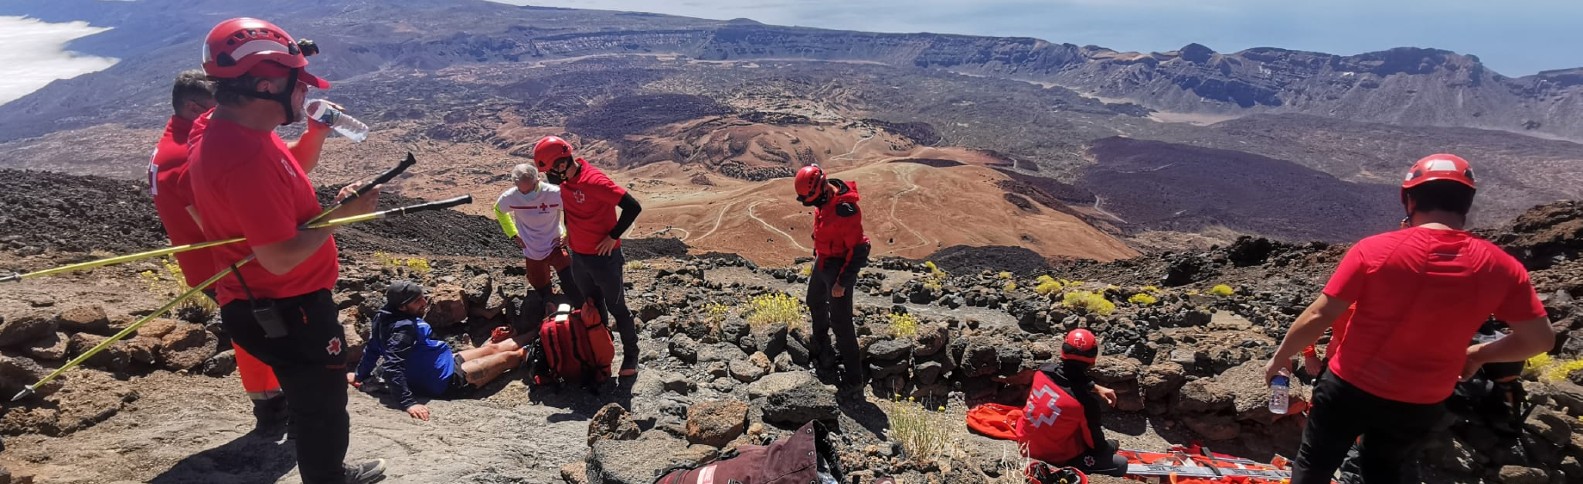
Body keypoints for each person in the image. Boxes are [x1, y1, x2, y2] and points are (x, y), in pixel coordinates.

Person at [1263, 153, 1552, 484]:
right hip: (1422, 399)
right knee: (1384, 471)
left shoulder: (1374, 250)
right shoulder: (1502, 268)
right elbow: (1539, 340)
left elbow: (1320, 313)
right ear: (1467, 203)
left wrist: (1280, 358)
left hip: (1349, 386)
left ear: (1409, 199)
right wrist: (1477, 355)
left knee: (1314, 464)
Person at [187, 17, 385, 484]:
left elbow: (281, 174)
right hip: (289, 307)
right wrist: (339, 216)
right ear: (266, 83)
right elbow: (277, 254)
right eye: (300, 84)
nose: (305, 95)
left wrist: (319, 149)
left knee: (310, 397)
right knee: (325, 406)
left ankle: (320, 465)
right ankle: (327, 477)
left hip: (261, 302)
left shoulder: (228, 129)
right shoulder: (245, 155)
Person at [146, 69, 290, 436]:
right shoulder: (184, 156)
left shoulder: (173, 142)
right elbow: (216, 218)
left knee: (254, 331)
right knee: (261, 331)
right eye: (219, 103)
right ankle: (273, 407)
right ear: (194, 106)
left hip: (210, 266)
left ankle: (272, 401)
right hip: (226, 267)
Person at [531, 135, 644, 376]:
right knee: (592, 306)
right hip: (579, 258)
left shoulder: (595, 182)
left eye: (550, 171)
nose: (549, 177)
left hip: (604, 259)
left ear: (562, 165)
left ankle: (631, 355)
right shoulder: (566, 182)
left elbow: (633, 207)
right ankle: (602, 353)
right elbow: (570, 209)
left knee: (617, 307)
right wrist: (569, 233)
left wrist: (613, 236)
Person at [351, 281, 532, 421]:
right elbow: (392, 367)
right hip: (447, 381)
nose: (424, 302)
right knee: (509, 357)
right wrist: (408, 403)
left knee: (493, 348)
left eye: (422, 297)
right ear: (402, 307)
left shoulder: (383, 317)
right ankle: (538, 350)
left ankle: (539, 329)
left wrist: (360, 375)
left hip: (446, 361)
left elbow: (372, 349)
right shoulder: (403, 330)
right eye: (416, 301)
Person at [793, 164, 870, 393]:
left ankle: (855, 380)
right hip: (824, 261)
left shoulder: (845, 210)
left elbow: (859, 249)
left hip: (838, 268)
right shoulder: (825, 200)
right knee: (814, 300)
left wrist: (842, 283)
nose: (812, 204)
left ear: (823, 190)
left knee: (841, 323)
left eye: (813, 199)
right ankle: (821, 344)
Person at [1016, 329, 1127, 477]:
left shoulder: (1043, 371)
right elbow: (1096, 446)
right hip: (1052, 455)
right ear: (1092, 358)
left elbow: (1068, 376)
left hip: (1024, 439)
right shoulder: (1085, 403)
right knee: (1121, 464)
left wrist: (1095, 387)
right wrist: (1110, 446)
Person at [494, 163, 582, 315]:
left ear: (537, 180)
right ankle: (550, 311)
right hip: (532, 249)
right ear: (515, 184)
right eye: (522, 190)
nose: (526, 194)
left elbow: (572, 209)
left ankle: (582, 312)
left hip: (555, 244)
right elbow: (499, 211)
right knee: (541, 286)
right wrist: (513, 234)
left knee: (571, 281)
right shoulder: (510, 197)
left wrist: (569, 234)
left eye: (530, 188)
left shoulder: (554, 193)